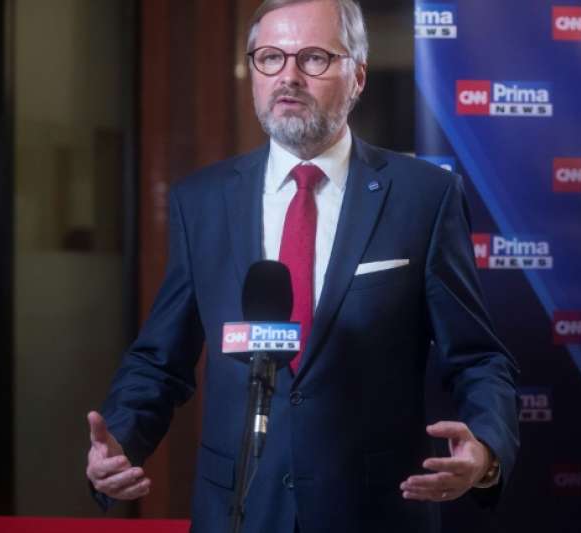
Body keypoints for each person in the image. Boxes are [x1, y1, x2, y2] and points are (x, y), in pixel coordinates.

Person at [85, 1, 519, 532]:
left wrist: (485, 448)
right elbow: (160, 360)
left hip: (375, 512)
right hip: (241, 511)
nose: (287, 76)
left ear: (357, 77)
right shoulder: (200, 202)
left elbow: (478, 358)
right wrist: (121, 438)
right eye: (270, 57)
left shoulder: (424, 197)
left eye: (313, 58)